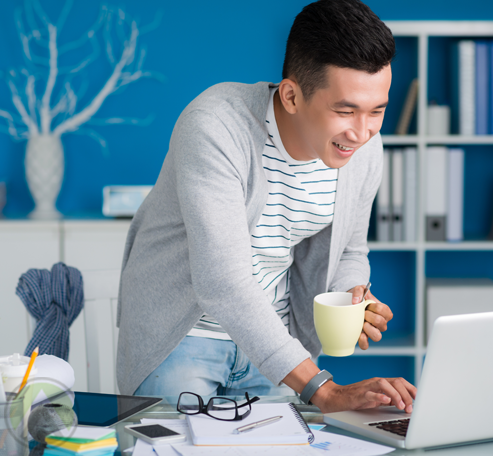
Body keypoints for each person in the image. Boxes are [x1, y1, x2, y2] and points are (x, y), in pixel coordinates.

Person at [116, 0, 417, 413]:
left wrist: (351, 294)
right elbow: (222, 281)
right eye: (345, 110)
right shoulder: (216, 127)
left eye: (377, 111)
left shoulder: (364, 149)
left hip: (277, 344)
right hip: (184, 341)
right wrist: (321, 389)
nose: (362, 132)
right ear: (292, 96)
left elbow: (349, 250)